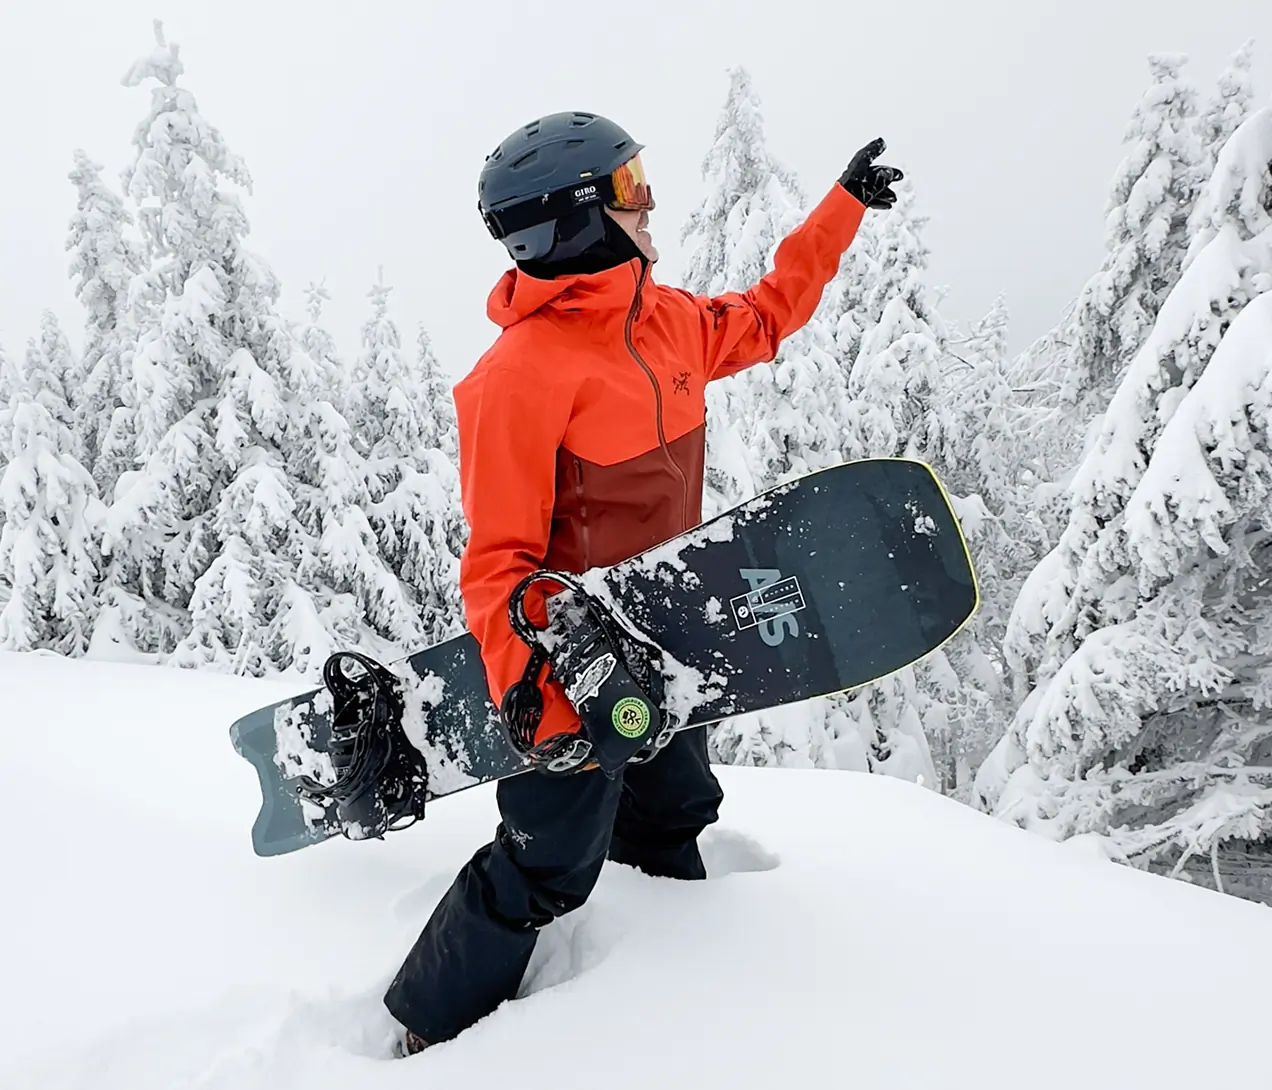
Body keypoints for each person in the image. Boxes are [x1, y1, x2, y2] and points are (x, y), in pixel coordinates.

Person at [384, 111, 901, 1054]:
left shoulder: (665, 323)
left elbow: (768, 312)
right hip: (578, 667)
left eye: (640, 178)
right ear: (574, 218)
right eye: (628, 188)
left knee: (677, 810)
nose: (649, 200)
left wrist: (840, 211)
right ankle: (423, 1027)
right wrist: (532, 689)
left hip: (673, 636)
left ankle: (662, 990)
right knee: (548, 865)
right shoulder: (516, 379)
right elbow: (497, 561)